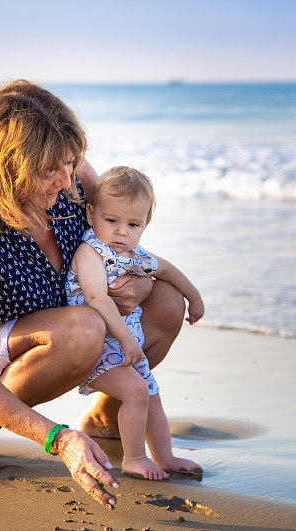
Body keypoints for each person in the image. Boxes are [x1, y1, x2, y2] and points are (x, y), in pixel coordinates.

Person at [0, 80, 185, 509]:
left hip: (51, 331)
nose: (66, 180)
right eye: (50, 169)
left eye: (70, 162)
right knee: (84, 328)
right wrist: (58, 437)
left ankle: (108, 412)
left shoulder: (72, 179)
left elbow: (125, 243)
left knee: (166, 300)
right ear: (8, 163)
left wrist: (138, 284)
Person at [66, 166, 204, 480]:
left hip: (125, 346)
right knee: (137, 392)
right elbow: (98, 298)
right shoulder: (92, 252)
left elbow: (167, 269)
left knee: (151, 394)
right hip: (94, 348)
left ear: (145, 225)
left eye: (133, 225)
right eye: (111, 220)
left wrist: (194, 298)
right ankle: (134, 458)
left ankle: (165, 456)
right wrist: (127, 340)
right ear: (91, 215)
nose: (121, 232)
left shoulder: (135, 254)